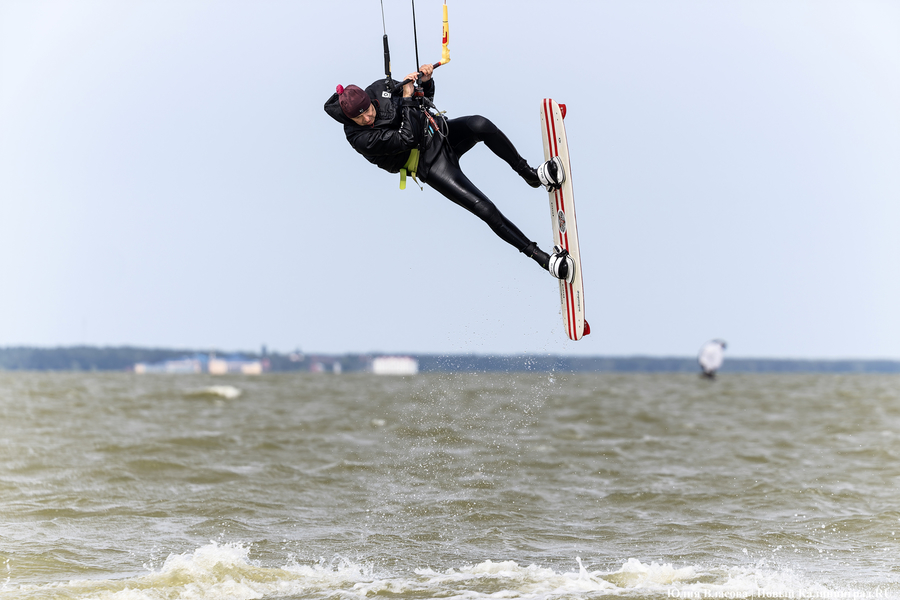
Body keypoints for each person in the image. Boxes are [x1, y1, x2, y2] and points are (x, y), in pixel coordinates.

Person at [323, 64, 574, 282]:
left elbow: (423, 102)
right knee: (484, 208)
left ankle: (532, 175)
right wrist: (408, 97)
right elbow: (407, 138)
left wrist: (425, 82)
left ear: (369, 99)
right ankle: (544, 259)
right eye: (360, 118)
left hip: (439, 133)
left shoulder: (380, 88)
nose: (368, 118)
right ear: (349, 118)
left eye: (368, 110)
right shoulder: (358, 138)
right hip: (428, 164)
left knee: (480, 124)